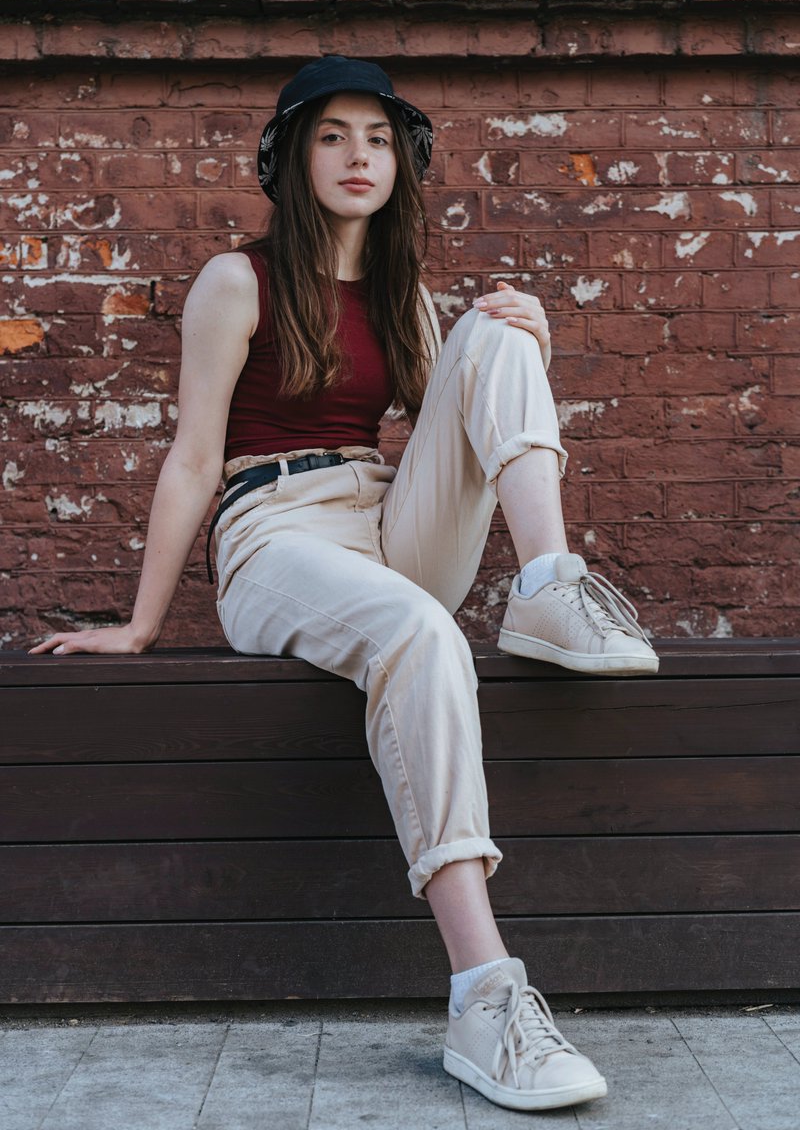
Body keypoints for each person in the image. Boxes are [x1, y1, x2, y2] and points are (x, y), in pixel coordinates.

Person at [31, 55, 659, 1113]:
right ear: (291, 159)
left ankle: (550, 584)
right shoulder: (239, 281)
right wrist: (140, 625)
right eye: (330, 135)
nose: (356, 155)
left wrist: (523, 344)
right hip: (276, 532)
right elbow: (191, 455)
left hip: (383, 520)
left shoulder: (402, 292)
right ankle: (485, 995)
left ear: (400, 163)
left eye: (375, 136)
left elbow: (456, 421)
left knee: (497, 327)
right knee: (424, 635)